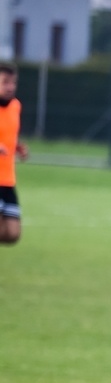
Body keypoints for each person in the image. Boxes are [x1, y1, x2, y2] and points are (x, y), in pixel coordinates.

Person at [0, 61, 30, 246]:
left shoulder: (15, 106)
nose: (10, 87)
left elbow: (9, 134)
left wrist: (17, 147)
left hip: (7, 180)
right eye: (5, 82)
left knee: (12, 234)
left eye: (13, 82)